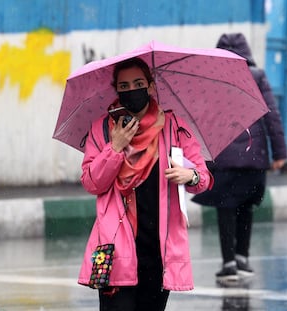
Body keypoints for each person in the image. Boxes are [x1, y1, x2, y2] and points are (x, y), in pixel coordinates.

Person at [77, 57, 213, 311]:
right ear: (116, 90)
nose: (132, 90)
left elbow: (203, 178)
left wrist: (189, 175)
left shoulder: (174, 127)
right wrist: (115, 148)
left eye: (138, 83)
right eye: (124, 86)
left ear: (151, 86)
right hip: (113, 251)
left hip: (159, 252)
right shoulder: (103, 130)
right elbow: (91, 182)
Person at [192, 33, 287, 283]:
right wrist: (279, 153)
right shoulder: (256, 77)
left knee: (226, 208)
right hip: (254, 156)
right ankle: (243, 258)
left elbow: (201, 119)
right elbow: (272, 116)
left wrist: (197, 155)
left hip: (222, 157)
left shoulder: (211, 79)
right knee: (247, 205)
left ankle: (229, 263)